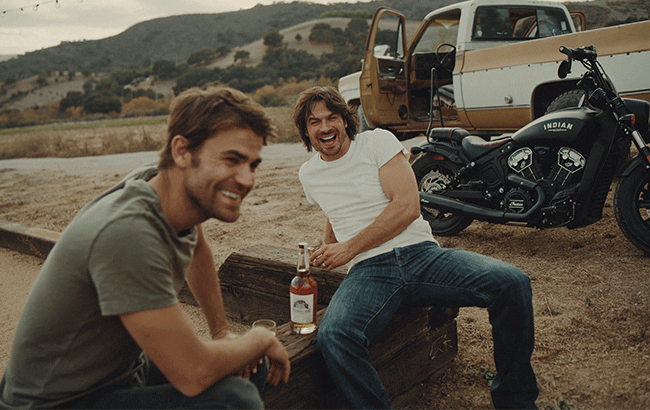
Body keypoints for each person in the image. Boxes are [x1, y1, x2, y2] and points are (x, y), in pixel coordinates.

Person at [0, 86, 291, 409]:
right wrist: (261, 337)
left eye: (253, 165)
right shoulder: (127, 233)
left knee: (250, 367)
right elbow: (193, 374)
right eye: (232, 160)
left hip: (117, 377)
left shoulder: (160, 187)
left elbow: (196, 249)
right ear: (181, 151)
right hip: (57, 402)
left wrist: (221, 330)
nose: (247, 180)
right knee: (235, 400)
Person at [294, 86, 538, 409]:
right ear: (305, 131)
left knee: (512, 283)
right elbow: (334, 205)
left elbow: (407, 206)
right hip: (369, 272)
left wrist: (350, 246)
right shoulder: (309, 175)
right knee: (335, 336)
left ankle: (515, 401)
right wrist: (329, 242)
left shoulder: (376, 142)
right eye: (314, 122)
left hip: (421, 256)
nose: (325, 128)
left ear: (345, 120)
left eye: (332, 118)